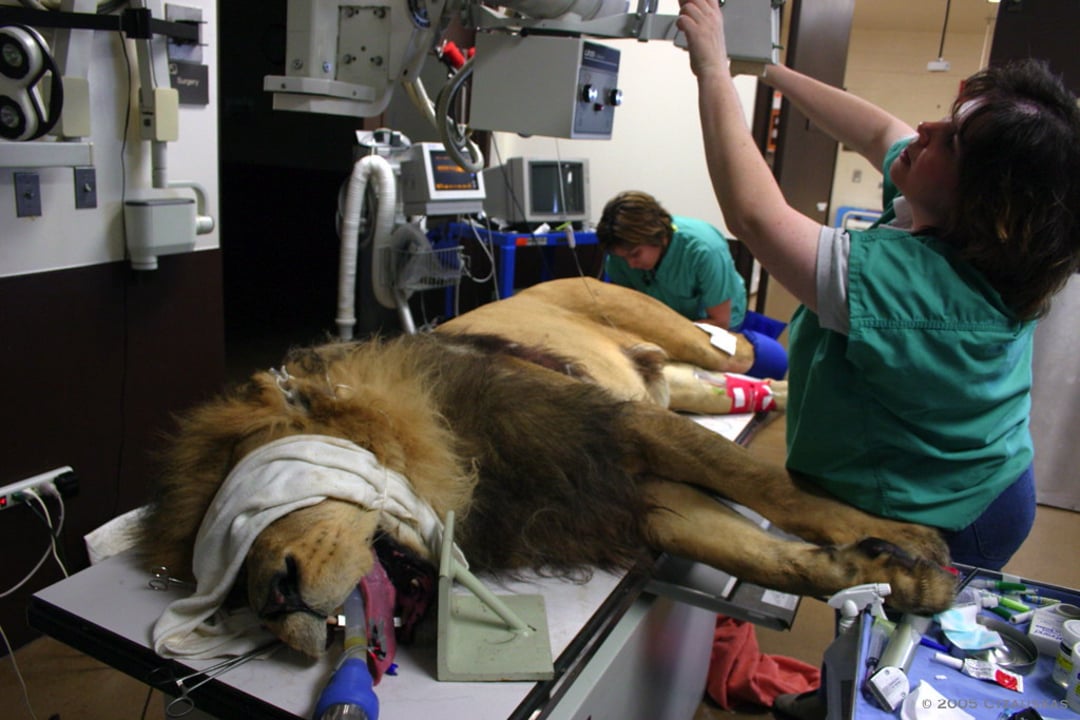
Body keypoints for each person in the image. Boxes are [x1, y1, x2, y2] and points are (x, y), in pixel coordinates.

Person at [678, 1, 1080, 716]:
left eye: (949, 141)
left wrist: (712, 68)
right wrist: (762, 66)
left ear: (987, 204)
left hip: (957, 510)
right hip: (980, 475)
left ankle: (850, 695)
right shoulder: (960, 226)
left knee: (895, 641)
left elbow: (756, 216)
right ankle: (842, 684)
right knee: (871, 625)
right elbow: (873, 127)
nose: (921, 131)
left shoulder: (922, 288)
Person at [597, 190, 788, 378]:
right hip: (660, 324)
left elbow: (720, 321)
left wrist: (662, 333)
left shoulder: (704, 250)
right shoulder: (618, 258)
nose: (630, 264)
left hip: (715, 323)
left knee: (772, 362)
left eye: (635, 254)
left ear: (659, 236)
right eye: (623, 257)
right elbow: (622, 307)